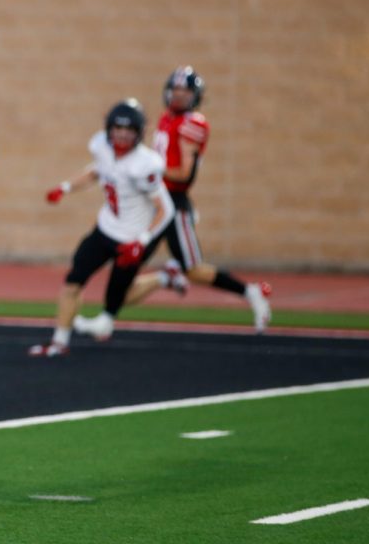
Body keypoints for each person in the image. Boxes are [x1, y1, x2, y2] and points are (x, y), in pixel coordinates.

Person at [101, 67, 273, 331]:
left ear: (196, 96)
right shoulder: (165, 118)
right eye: (176, 90)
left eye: (185, 92)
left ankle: (250, 292)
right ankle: (157, 283)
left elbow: (183, 175)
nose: (179, 96)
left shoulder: (193, 123)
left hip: (172, 205)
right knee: (125, 272)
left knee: (192, 268)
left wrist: (146, 171)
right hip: (153, 203)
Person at [31, 99, 173, 356]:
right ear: (109, 128)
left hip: (131, 238)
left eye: (129, 130)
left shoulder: (146, 164)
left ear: (139, 133)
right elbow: (97, 171)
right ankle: (59, 343)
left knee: (119, 297)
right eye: (118, 128)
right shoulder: (101, 146)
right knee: (73, 281)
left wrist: (142, 240)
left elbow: (166, 210)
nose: (122, 134)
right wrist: (65, 187)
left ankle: (164, 277)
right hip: (106, 228)